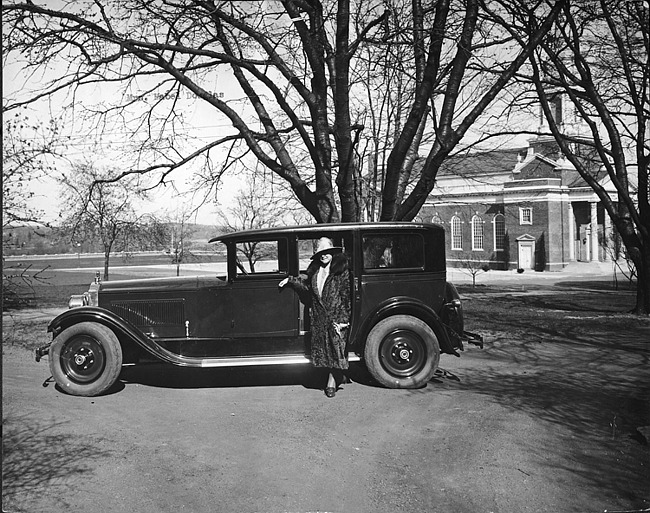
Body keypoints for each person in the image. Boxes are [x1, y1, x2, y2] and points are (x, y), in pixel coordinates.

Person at [279, 237, 351, 398]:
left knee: (336, 349)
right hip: (319, 317)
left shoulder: (340, 271)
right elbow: (307, 289)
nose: (324, 256)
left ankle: (332, 382)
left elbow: (346, 296)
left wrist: (344, 320)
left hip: (336, 317)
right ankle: (337, 375)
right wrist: (290, 280)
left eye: (327, 252)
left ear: (332, 252)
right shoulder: (315, 272)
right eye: (320, 253)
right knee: (325, 351)